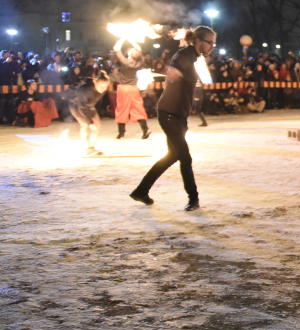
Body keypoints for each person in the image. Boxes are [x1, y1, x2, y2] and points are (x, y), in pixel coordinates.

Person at [130, 26, 216, 211]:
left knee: (173, 155)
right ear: (199, 41)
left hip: (178, 115)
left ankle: (141, 191)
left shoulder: (193, 57)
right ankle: (193, 198)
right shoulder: (185, 55)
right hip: (170, 114)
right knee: (185, 157)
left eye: (214, 43)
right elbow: (176, 63)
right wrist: (172, 70)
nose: (212, 46)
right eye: (210, 42)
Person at [112, 41, 151, 139]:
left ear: (130, 55)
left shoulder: (125, 62)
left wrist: (123, 37)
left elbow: (116, 48)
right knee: (138, 109)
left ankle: (121, 133)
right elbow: (139, 50)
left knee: (122, 109)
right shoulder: (139, 62)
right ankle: (145, 130)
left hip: (123, 88)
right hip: (134, 88)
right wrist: (132, 40)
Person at [68, 71, 112, 156]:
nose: (103, 88)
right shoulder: (87, 91)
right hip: (76, 106)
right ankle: (86, 148)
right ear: (95, 82)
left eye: (105, 86)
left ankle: (92, 147)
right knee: (85, 125)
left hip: (88, 106)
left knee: (97, 125)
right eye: (101, 86)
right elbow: (82, 107)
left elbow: (92, 103)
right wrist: (90, 122)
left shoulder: (101, 89)